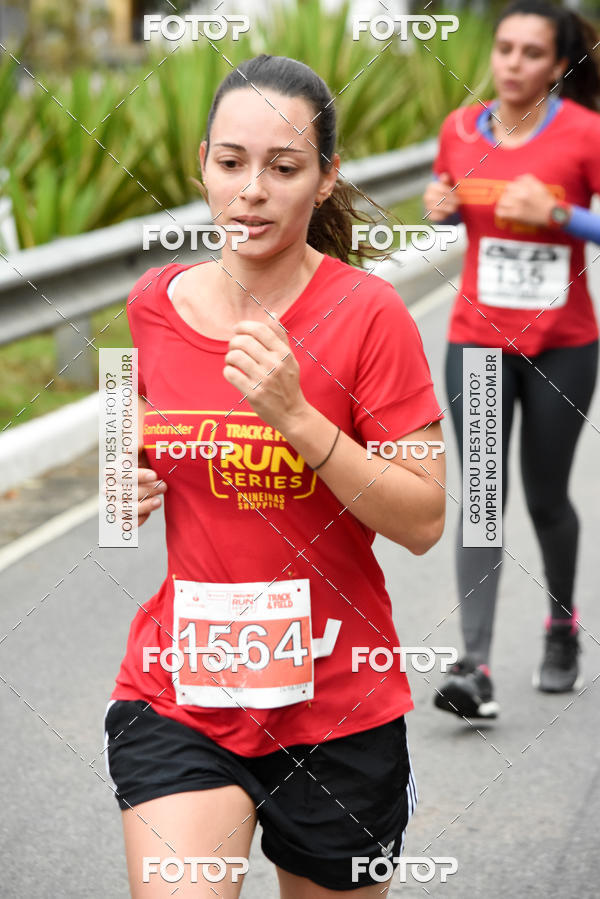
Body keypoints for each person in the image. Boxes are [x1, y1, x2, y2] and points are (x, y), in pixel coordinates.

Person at [104, 54, 445, 897]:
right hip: (181, 691)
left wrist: (298, 417)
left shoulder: (371, 313)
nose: (251, 189)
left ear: (325, 179)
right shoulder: (152, 302)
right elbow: (125, 438)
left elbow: (424, 519)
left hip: (338, 707)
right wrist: (124, 486)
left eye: (283, 167)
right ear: (203, 165)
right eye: (231, 162)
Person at [424, 0, 600, 720]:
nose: (514, 64)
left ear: (558, 66)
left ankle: (562, 626)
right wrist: (440, 206)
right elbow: (453, 200)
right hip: (479, 339)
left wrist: (560, 215)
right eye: (505, 49)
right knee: (485, 499)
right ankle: (475, 666)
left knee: (546, 497)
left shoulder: (586, 134)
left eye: (532, 53)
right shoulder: (459, 131)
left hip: (563, 345)